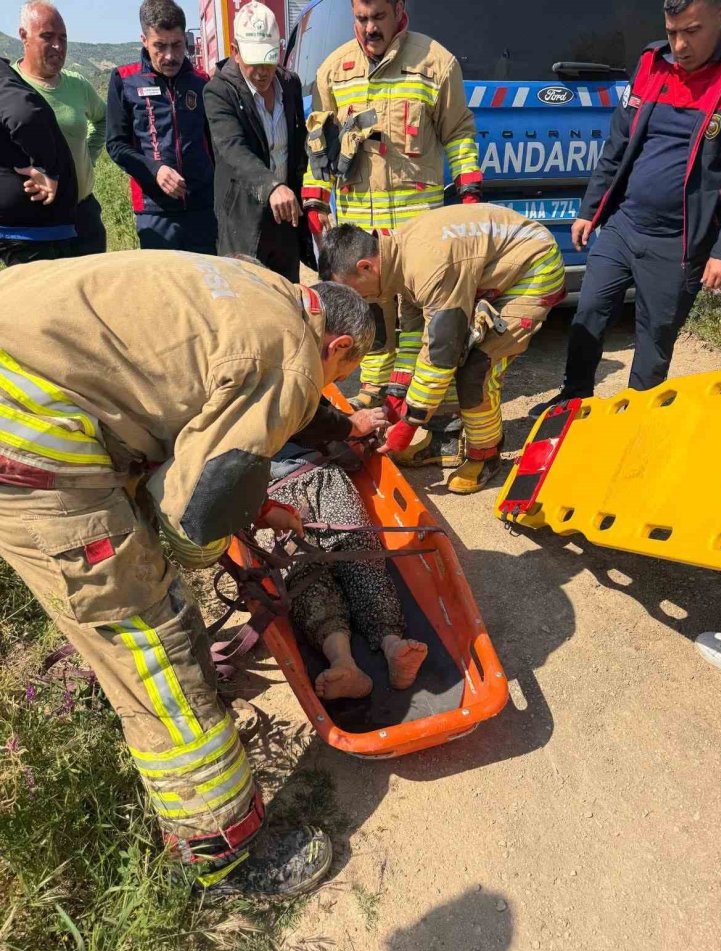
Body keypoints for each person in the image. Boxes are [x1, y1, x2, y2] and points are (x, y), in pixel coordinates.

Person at [0, 251, 375, 897]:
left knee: (149, 604)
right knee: (159, 643)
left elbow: (207, 401)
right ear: (336, 344)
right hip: (36, 434)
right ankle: (224, 852)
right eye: (347, 368)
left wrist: (259, 492)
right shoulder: (290, 355)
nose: (337, 379)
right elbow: (192, 524)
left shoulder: (266, 286)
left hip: (28, 360)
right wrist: (219, 537)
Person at [531, 0, 721, 418]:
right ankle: (575, 398)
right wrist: (591, 208)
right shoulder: (652, 63)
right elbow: (619, 142)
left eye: (692, 31)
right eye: (671, 31)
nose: (679, 45)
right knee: (588, 309)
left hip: (678, 243)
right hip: (625, 225)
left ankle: (636, 418)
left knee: (654, 339)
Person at [302, 0, 482, 469]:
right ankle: (375, 389)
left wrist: (468, 196)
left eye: (378, 18)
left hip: (416, 231)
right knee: (371, 316)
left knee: (424, 321)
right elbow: (319, 143)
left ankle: (427, 416)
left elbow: (460, 132)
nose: (368, 29)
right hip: (362, 224)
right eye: (360, 19)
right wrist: (316, 199)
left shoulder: (435, 63)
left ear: (399, 10)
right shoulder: (333, 70)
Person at [319, 204, 566, 494]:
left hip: (533, 269)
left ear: (365, 266)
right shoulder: (398, 258)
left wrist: (409, 424)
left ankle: (485, 456)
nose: (358, 299)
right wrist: (396, 398)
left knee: (476, 368)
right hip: (491, 267)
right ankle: (444, 443)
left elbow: (440, 353)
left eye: (353, 290)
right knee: (450, 357)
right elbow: (415, 337)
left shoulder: (429, 265)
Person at [263, 451, 428, 700]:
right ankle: (350, 661)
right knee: (305, 573)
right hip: (272, 495)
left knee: (356, 554)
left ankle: (388, 646)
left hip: (317, 473)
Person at [204, 1, 313, 281]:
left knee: (288, 298)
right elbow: (233, 149)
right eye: (255, 62)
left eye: (269, 59)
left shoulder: (289, 84)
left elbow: (299, 145)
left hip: (285, 218)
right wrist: (272, 186)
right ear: (235, 52)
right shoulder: (219, 92)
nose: (263, 71)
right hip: (245, 221)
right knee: (247, 305)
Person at [106, 0, 217, 253]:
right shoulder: (124, 80)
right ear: (144, 40)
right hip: (154, 211)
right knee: (163, 289)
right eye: (160, 46)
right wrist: (154, 170)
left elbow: (215, 144)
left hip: (202, 208)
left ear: (186, 39)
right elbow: (115, 145)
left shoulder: (202, 82)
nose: (169, 55)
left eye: (177, 45)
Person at [15, 1, 107, 256]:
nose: (58, 46)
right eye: (47, 36)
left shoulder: (77, 86)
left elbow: (103, 119)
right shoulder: (10, 89)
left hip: (83, 215)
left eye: (63, 38)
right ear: (24, 36)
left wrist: (88, 154)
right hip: (36, 224)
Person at [0, 56, 77, 265]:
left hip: (18, 227)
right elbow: (24, 114)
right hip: (33, 232)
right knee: (46, 295)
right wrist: (47, 168)